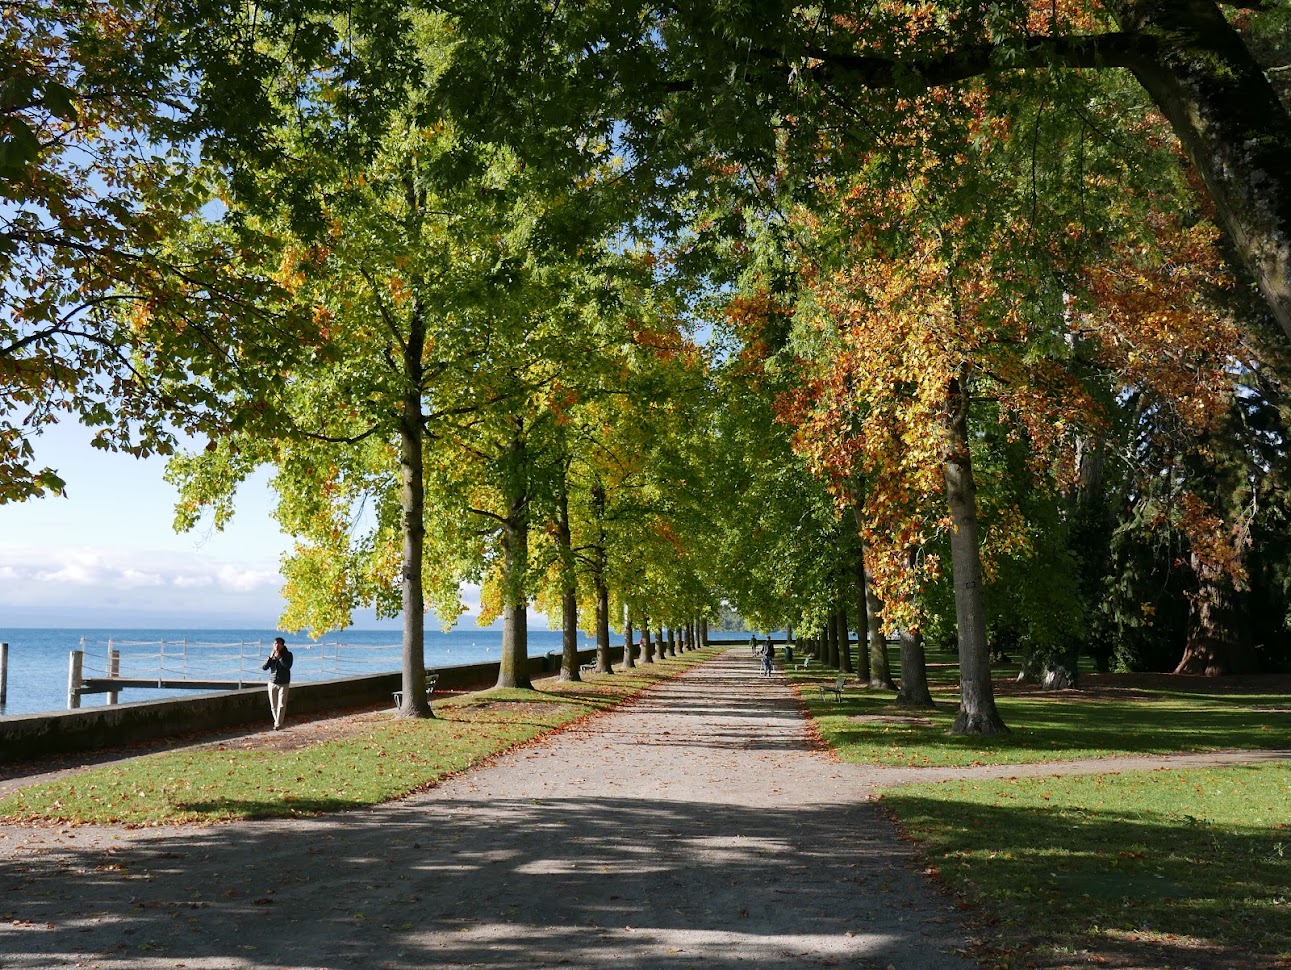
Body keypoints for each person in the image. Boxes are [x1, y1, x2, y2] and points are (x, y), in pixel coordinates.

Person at [262, 637, 293, 730]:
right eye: (275, 644)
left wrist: (279, 657)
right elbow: (264, 667)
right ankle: (277, 722)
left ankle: (278, 723)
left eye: (278, 644)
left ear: (282, 645)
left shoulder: (288, 654)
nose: (276, 646)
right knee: (273, 705)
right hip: (272, 682)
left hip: (284, 682)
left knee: (281, 704)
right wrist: (270, 658)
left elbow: (287, 666)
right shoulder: (272, 655)